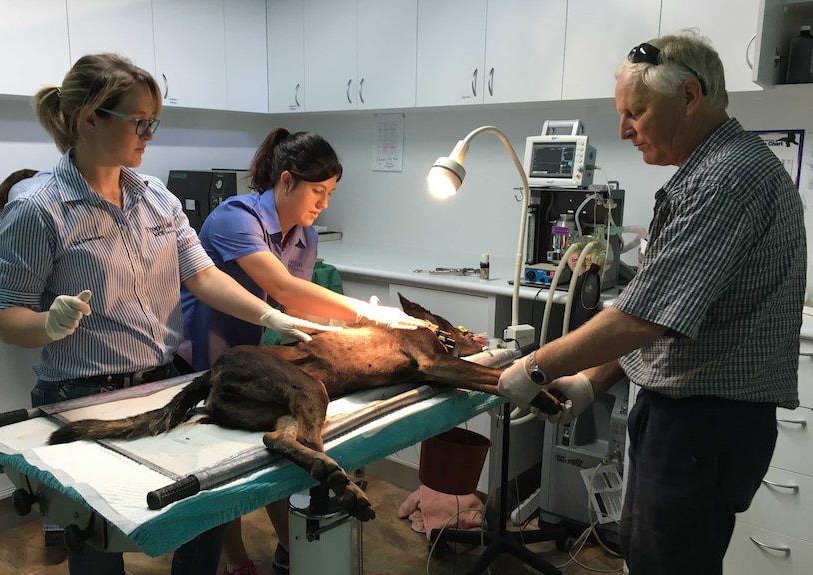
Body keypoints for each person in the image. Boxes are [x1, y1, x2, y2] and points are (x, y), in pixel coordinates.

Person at [0, 53, 338, 575]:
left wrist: (273, 318)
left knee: (205, 512)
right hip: (82, 398)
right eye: (140, 121)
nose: (149, 133)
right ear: (90, 119)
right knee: (100, 540)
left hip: (163, 385)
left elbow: (203, 277)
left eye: (155, 121)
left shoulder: (156, 198)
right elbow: (4, 315)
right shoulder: (39, 207)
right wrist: (46, 323)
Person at [496, 32, 805, 574]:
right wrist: (592, 381)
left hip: (704, 422)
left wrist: (537, 365)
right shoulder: (703, 175)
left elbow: (642, 317)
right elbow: (659, 310)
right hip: (680, 416)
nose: (623, 130)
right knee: (642, 553)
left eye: (635, 112)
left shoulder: (728, 177)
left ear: (689, 95)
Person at [180, 127, 428, 575]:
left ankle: (289, 546)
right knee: (219, 480)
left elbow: (294, 304)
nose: (324, 203)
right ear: (287, 180)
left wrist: (352, 321)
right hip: (206, 360)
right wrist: (368, 313)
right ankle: (235, 560)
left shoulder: (306, 235)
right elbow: (281, 285)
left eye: (331, 193)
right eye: (318, 191)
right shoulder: (236, 217)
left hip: (256, 361)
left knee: (278, 457)